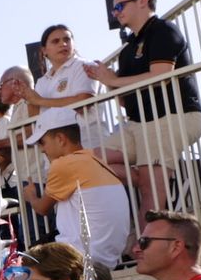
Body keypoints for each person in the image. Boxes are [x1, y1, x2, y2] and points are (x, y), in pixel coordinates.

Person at [84, 0, 201, 217]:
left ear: (143, 1)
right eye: (113, 10)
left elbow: (161, 77)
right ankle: (143, 176)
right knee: (88, 161)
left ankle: (145, 245)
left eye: (120, 6)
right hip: (139, 123)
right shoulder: (127, 50)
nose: (116, 12)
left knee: (151, 196)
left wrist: (114, 80)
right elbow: (124, 103)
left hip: (171, 116)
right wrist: (108, 80)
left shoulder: (163, 30)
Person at [19, 110, 131, 268]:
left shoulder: (64, 164)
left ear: (60, 139)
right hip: (106, 260)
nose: (42, 150)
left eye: (42, 143)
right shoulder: (96, 160)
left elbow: (42, 208)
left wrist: (30, 196)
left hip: (78, 257)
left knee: (19, 266)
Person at [19, 25, 103, 150]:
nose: (63, 44)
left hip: (87, 144)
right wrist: (28, 98)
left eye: (67, 39)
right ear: (44, 50)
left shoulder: (84, 66)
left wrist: (40, 101)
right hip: (54, 151)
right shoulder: (42, 82)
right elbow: (35, 120)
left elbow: (83, 102)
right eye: (55, 41)